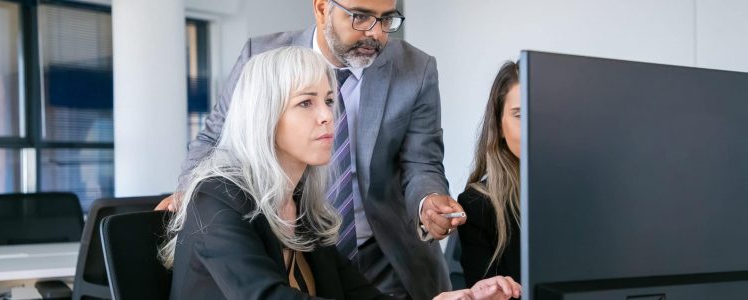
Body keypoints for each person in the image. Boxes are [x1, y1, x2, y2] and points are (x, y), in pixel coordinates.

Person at [157, 0, 465, 298]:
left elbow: (421, 162)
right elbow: (215, 136)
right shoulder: (219, 201)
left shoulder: (300, 204)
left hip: (382, 250)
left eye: (386, 19)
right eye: (360, 16)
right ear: (321, 8)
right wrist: (193, 195)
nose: (376, 32)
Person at [457, 61, 521, 287]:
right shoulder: (478, 205)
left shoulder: (587, 193)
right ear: (499, 125)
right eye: (519, 115)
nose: (533, 127)